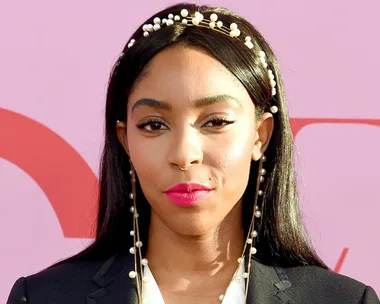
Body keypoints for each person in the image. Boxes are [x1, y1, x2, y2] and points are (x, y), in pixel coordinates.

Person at [7, 2, 380, 304]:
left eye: (215, 122)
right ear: (125, 141)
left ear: (260, 136)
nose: (185, 154)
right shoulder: (43, 297)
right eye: (154, 125)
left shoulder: (344, 300)